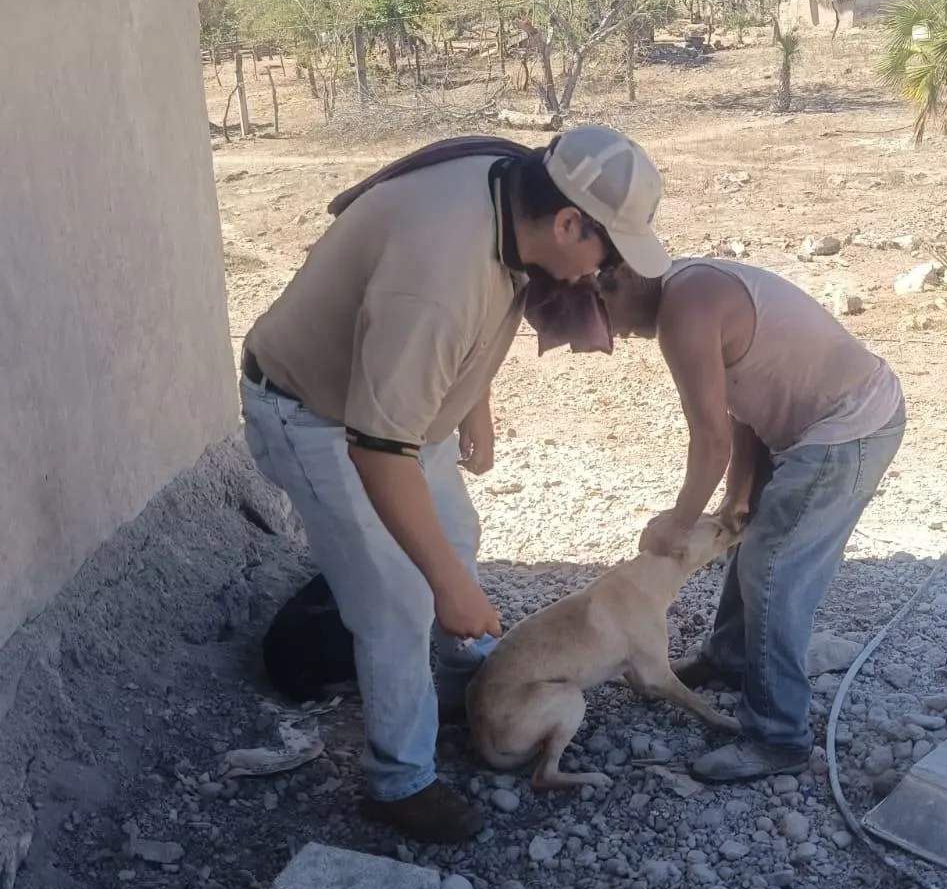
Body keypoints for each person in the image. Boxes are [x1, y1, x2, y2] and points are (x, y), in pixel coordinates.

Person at [240, 128, 670, 843]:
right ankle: (398, 779)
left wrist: (472, 401)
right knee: (397, 599)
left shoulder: (510, 182)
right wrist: (449, 587)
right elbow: (377, 450)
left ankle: (466, 682)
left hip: (391, 403)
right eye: (608, 252)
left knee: (455, 535)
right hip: (315, 413)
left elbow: (477, 323)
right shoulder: (439, 280)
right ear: (568, 223)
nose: (604, 272)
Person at [598, 256, 905, 783]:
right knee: (752, 541)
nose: (612, 334)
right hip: (821, 420)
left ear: (624, 273)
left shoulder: (685, 310)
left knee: (773, 568)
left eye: (602, 311)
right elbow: (744, 405)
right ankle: (731, 658)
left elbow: (710, 441)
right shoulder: (692, 291)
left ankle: (778, 735)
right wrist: (738, 495)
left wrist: (679, 521)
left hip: (849, 425)